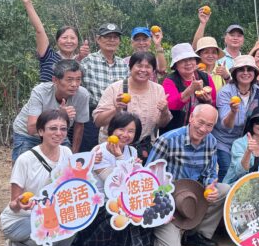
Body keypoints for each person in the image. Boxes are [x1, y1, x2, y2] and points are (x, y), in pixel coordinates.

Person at [69, 112, 152, 246]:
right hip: (102, 202)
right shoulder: (99, 152)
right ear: (112, 129)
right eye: (121, 129)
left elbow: (132, 184)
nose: (125, 135)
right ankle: (100, 244)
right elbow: (114, 184)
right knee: (121, 212)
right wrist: (121, 158)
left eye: (131, 131)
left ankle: (117, 245)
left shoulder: (132, 151)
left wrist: (136, 167)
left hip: (122, 200)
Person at [147, 104, 225, 246]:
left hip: (193, 197)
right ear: (191, 118)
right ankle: (151, 235)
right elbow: (149, 177)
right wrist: (160, 210)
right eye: (200, 122)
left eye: (209, 125)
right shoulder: (167, 140)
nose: (203, 129)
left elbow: (210, 172)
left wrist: (211, 186)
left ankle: (196, 234)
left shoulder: (211, 141)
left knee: (224, 190)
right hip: (167, 200)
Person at [1, 110, 75, 246]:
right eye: (52, 128)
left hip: (50, 214)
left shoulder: (67, 153)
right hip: (21, 219)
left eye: (63, 128)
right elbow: (14, 204)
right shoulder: (25, 160)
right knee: (47, 227)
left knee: (76, 217)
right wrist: (20, 204)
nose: (59, 133)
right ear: (41, 131)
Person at [93, 52, 171, 159]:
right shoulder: (115, 88)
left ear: (153, 71)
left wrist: (164, 111)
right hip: (113, 148)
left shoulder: (158, 90)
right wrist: (115, 109)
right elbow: (98, 121)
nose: (143, 70)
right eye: (139, 65)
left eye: (148, 67)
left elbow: (162, 124)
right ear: (130, 67)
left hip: (143, 150)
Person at [11, 59, 90, 161]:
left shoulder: (83, 95)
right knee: (23, 168)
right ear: (55, 80)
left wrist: (73, 155)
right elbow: (31, 128)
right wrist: (59, 114)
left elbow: (79, 125)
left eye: (78, 79)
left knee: (64, 170)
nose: (74, 84)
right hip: (27, 134)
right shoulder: (40, 92)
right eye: (69, 80)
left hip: (57, 133)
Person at [17, 0, 88, 82]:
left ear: (77, 41)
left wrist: (81, 57)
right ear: (57, 41)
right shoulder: (48, 55)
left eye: (72, 38)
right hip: (47, 97)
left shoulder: (81, 61)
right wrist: (28, 3)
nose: (69, 41)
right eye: (64, 37)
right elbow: (39, 30)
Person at [213, 55, 259, 181]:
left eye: (249, 69)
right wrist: (233, 111)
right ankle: (221, 199)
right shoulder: (225, 92)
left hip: (244, 143)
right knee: (227, 173)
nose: (246, 73)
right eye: (241, 69)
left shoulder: (258, 92)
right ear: (235, 73)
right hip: (224, 141)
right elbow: (226, 125)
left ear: (255, 73)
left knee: (243, 174)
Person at [80, 23, 129, 152]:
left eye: (115, 37)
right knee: (92, 152)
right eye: (107, 37)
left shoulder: (123, 65)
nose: (111, 40)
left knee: (114, 152)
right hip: (92, 115)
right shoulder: (88, 61)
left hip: (117, 116)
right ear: (98, 39)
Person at [162, 43, 216, 134]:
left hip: (200, 130)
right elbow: (171, 106)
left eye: (191, 59)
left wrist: (208, 101)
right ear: (176, 65)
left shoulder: (206, 77)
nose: (188, 63)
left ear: (196, 61)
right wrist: (190, 89)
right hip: (175, 131)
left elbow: (214, 104)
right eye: (182, 60)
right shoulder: (169, 81)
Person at [222, 105, 259, 186]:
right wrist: (248, 152)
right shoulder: (239, 143)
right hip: (235, 188)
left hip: (257, 193)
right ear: (252, 124)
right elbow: (240, 173)